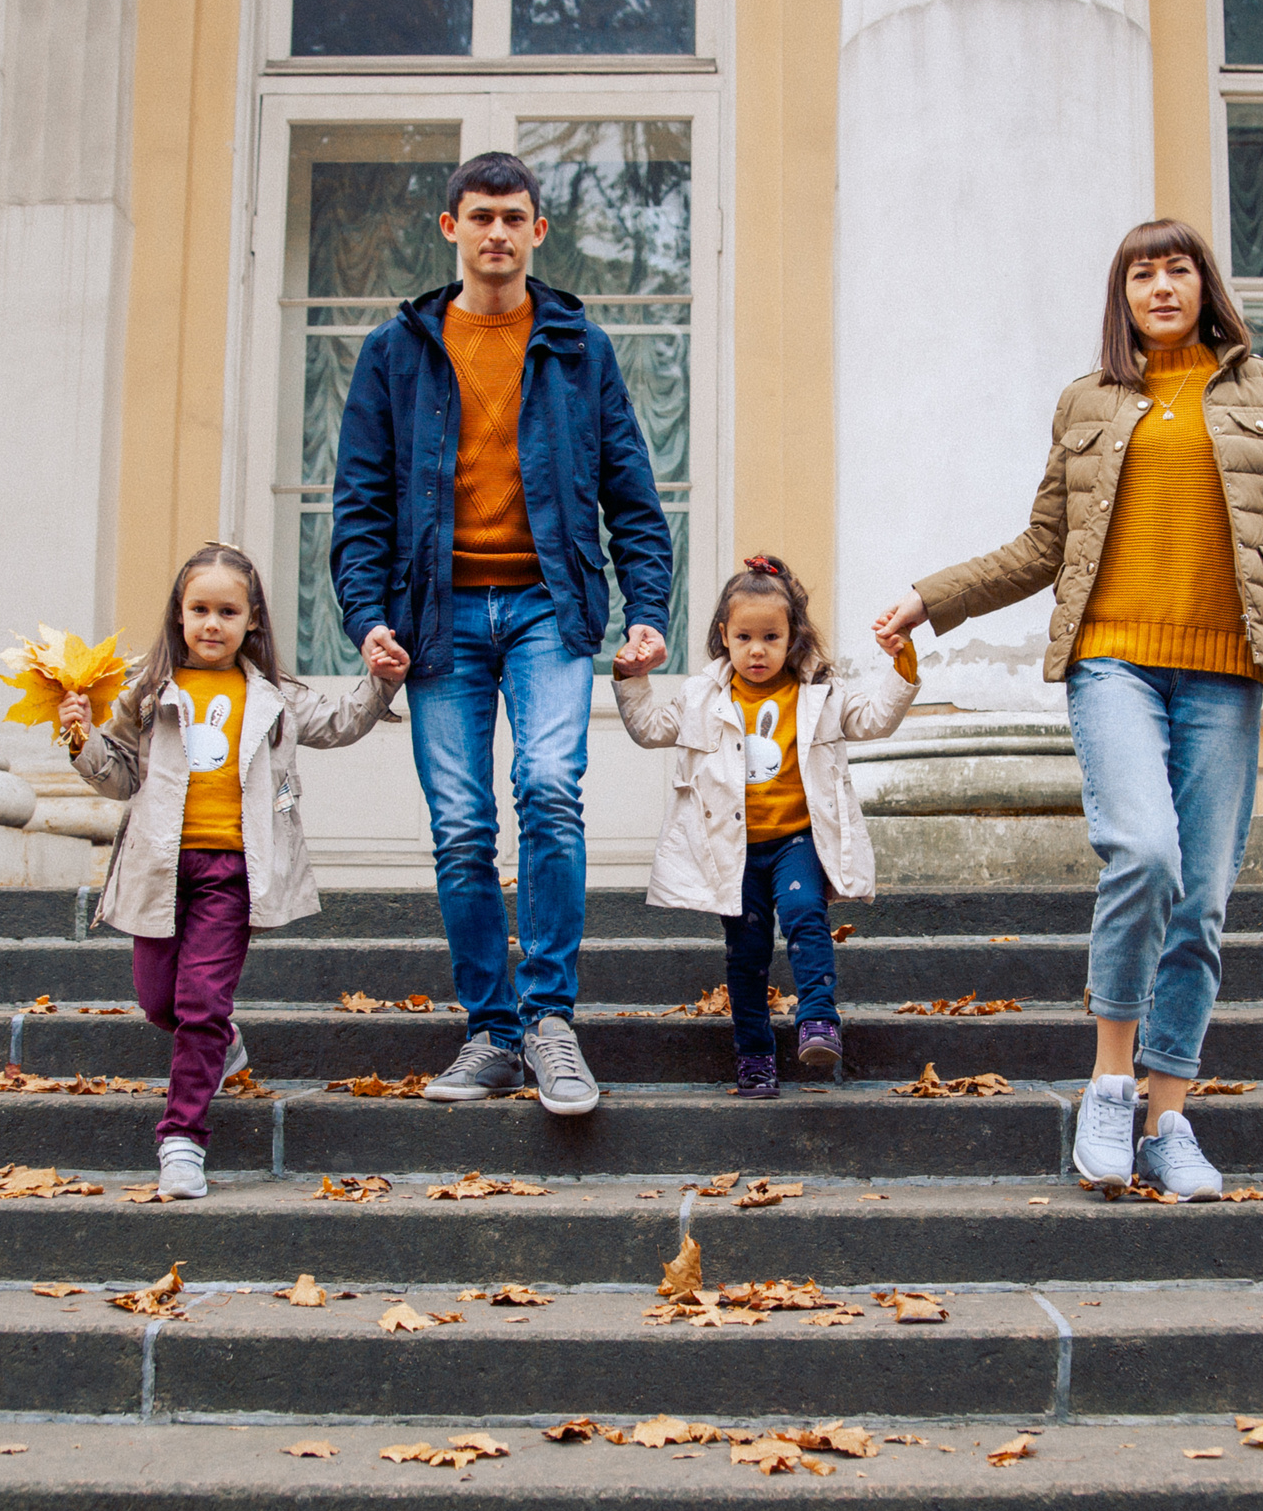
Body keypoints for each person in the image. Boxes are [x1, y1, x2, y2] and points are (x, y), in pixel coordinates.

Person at [874, 218, 1263, 1201]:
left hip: (1225, 672)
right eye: (1141, 272)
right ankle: (1111, 1081)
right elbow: (1045, 546)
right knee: (1145, 852)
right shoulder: (1088, 402)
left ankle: (1169, 1119)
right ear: (1121, 295)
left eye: (1177, 269)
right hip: (1113, 661)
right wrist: (935, 596)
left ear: (1203, 285)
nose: (1160, 286)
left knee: (1201, 901)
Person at [331, 151, 676, 1116]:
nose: (496, 232)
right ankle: (489, 1030)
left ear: (538, 231)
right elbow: (359, 503)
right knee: (462, 826)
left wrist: (646, 610)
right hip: (436, 620)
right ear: (449, 228)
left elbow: (633, 501)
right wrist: (367, 621)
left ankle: (550, 1021)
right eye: (478, 215)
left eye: (513, 216)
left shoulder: (577, 346)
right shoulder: (397, 351)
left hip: (546, 607)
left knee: (550, 791)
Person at [63, 544, 405, 1200]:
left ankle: (182, 1139)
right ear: (179, 614)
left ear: (252, 620)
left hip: (233, 872)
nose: (211, 623)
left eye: (227, 610)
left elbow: (338, 722)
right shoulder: (146, 691)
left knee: (201, 1002)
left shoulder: (272, 696)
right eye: (199, 609)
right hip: (160, 869)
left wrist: (380, 681)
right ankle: (223, 1044)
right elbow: (120, 775)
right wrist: (82, 741)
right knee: (159, 1000)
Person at [614, 555, 920, 1095]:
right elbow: (649, 729)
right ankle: (755, 1055)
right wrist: (631, 677)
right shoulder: (701, 696)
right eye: (745, 637)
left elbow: (874, 720)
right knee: (747, 953)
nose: (758, 650)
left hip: (797, 838)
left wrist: (902, 668)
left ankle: (819, 1020)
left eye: (772, 637)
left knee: (805, 911)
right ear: (724, 637)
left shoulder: (820, 692)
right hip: (734, 851)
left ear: (793, 638)